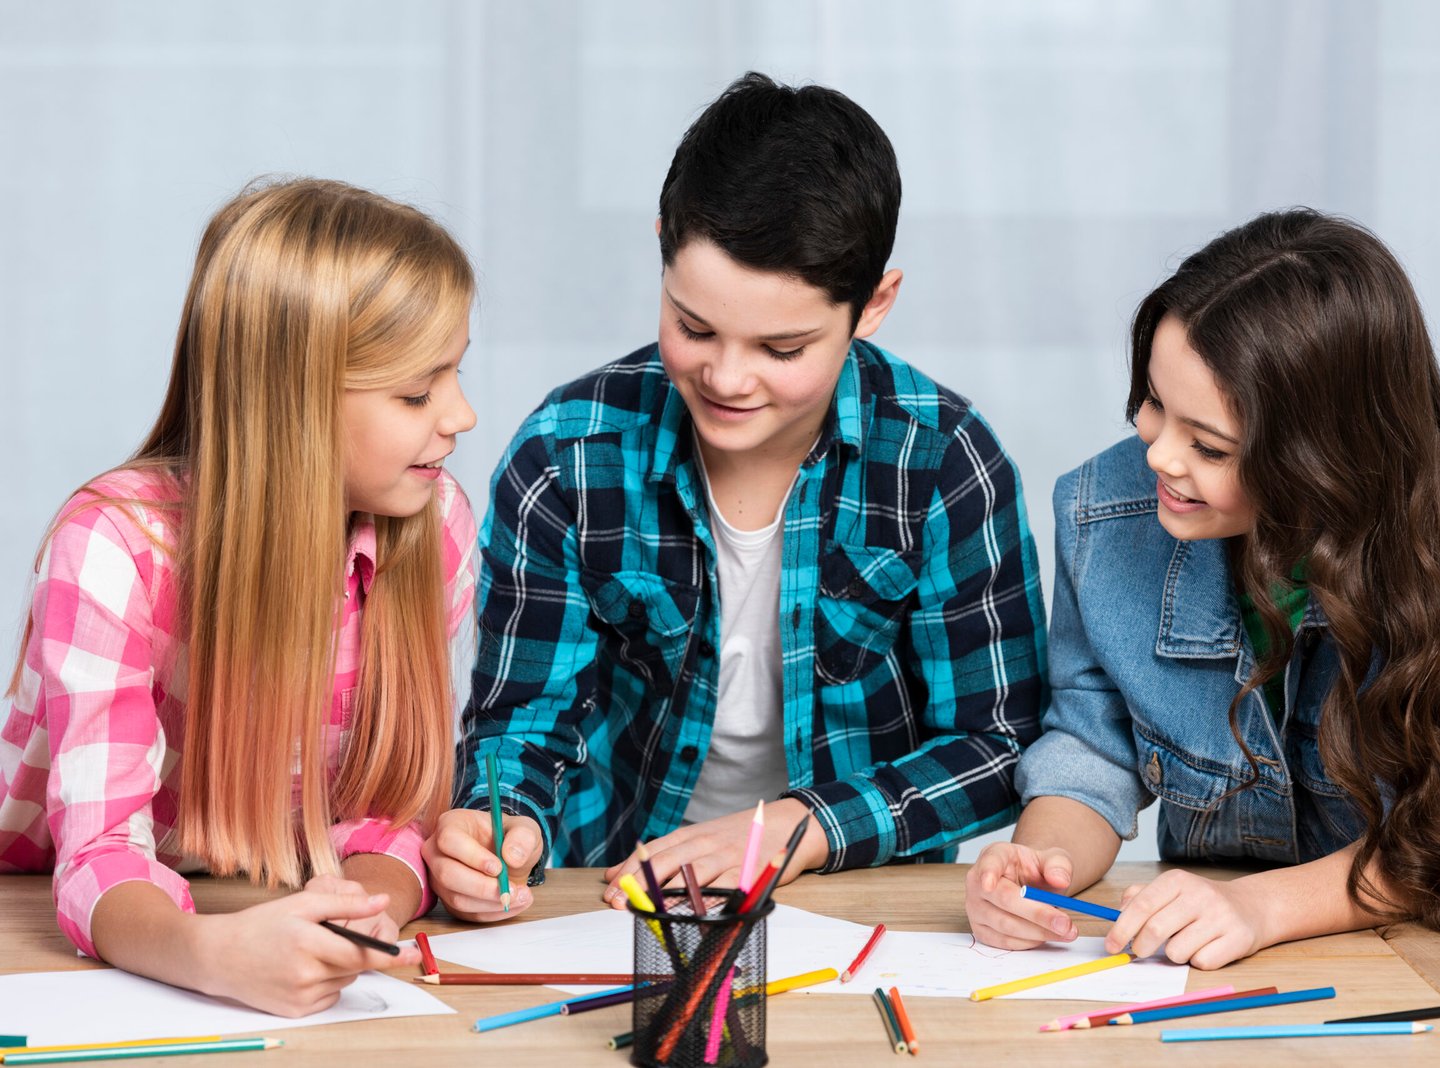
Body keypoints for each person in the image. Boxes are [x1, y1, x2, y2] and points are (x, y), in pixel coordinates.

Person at [424, 72, 1047, 922]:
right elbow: (519, 723)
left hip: (854, 901)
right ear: (661, 250)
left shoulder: (943, 462)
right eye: (693, 326)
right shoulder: (567, 454)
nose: (725, 378)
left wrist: (801, 829)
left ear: (874, 306)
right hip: (610, 898)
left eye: (781, 348)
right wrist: (505, 829)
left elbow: (1000, 742)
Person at [965, 208, 1440, 969]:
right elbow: (1093, 743)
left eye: (1209, 445)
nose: (1160, 456)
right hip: (1227, 946)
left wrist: (1258, 908)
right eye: (1154, 403)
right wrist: (1039, 864)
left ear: (1320, 457)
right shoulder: (1104, 511)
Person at [0, 178, 480, 1014]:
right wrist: (211, 957)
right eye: (417, 392)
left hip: (257, 887)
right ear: (291, 402)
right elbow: (100, 854)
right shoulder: (113, 545)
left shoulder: (435, 524)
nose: (463, 415)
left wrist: (358, 923)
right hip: (49, 905)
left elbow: (385, 818)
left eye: (456, 375)